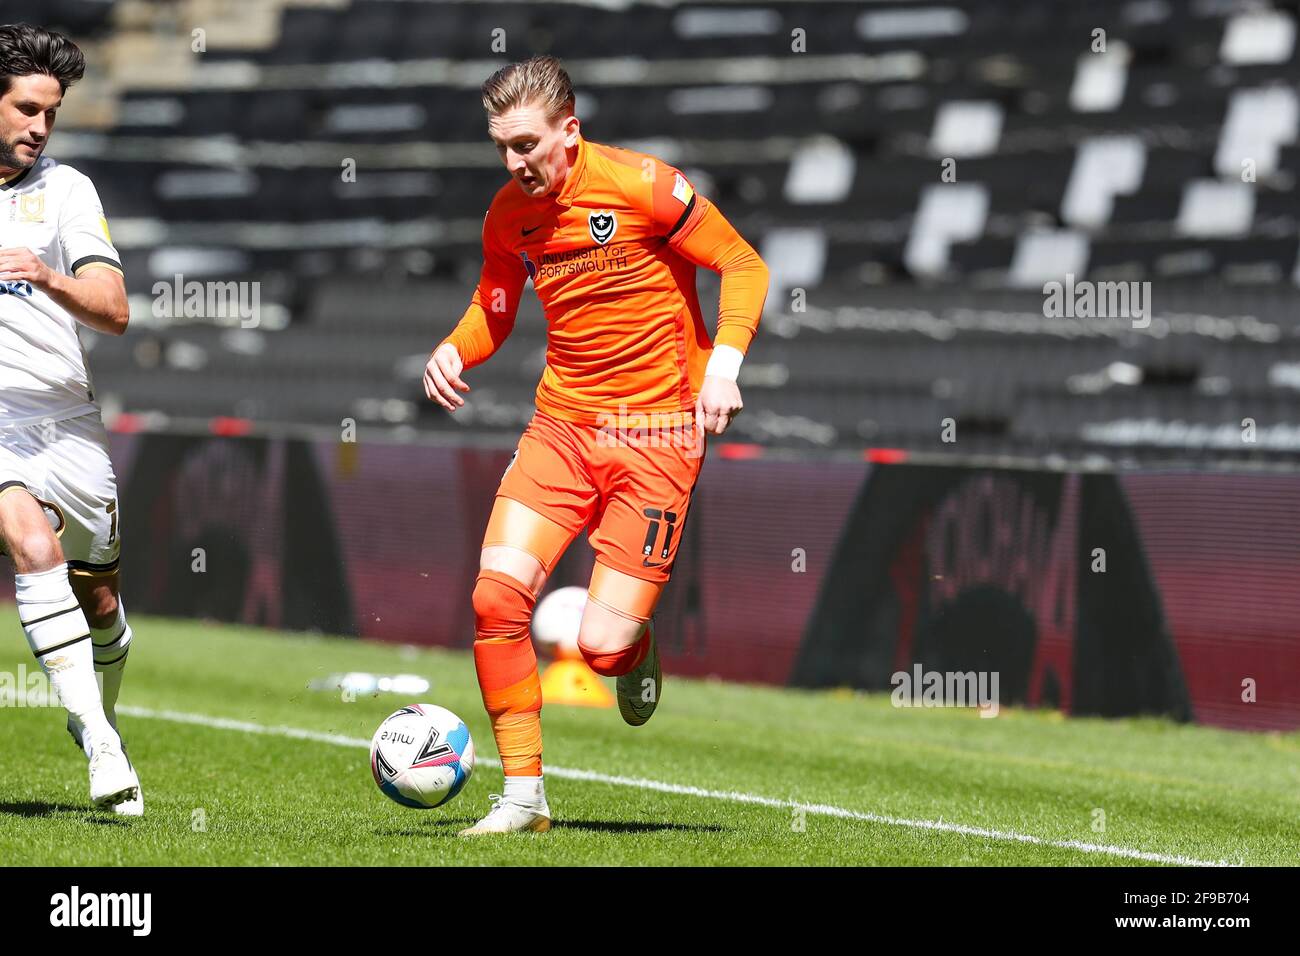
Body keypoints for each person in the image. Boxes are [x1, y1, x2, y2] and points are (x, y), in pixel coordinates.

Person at [424, 55, 768, 835]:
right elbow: (494, 305)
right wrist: (455, 347)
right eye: (503, 148)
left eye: (527, 145)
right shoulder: (508, 216)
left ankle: (634, 646)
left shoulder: (644, 185)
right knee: (495, 598)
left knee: (600, 647)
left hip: (657, 434)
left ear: (569, 132)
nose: (515, 164)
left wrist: (725, 366)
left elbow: (742, 264)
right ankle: (523, 798)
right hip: (563, 428)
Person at [0, 23, 140, 814]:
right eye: (25, 108)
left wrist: (45, 276)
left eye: (51, 113)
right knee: (31, 543)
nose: (40, 127)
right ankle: (102, 744)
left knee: (102, 603)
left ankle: (99, 720)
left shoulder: (68, 190)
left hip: (66, 419)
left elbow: (116, 312)